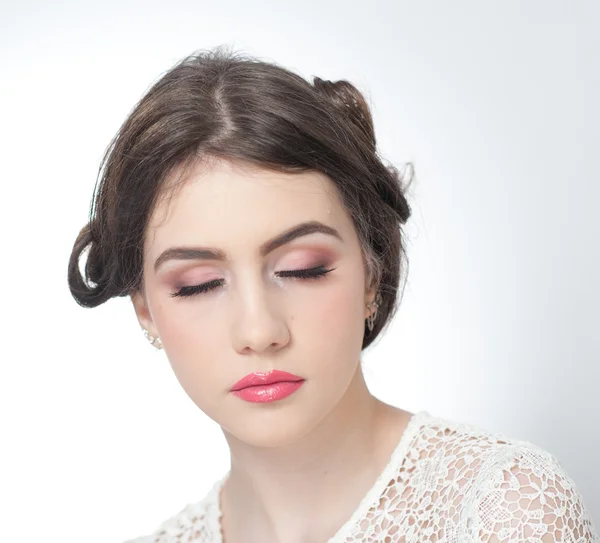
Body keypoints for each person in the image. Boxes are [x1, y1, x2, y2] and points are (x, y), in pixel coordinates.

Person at [67, 46, 598, 543]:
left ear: (372, 270)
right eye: (199, 284)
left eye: (302, 270)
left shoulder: (505, 510)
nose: (259, 330)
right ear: (146, 312)